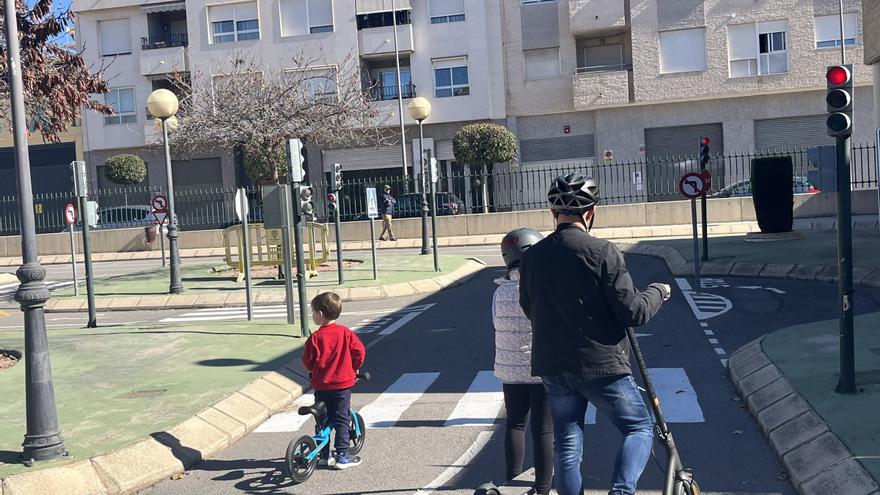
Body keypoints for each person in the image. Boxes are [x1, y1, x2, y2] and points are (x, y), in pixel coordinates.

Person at [518, 172, 673, 495]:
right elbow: (634, 312)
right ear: (591, 213)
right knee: (638, 427)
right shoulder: (603, 252)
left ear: (552, 214)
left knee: (568, 444)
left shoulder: (531, 258)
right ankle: (621, 491)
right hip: (601, 365)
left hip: (553, 365)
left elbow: (529, 307)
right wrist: (658, 291)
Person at [493, 228, 553, 495]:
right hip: (540, 369)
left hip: (509, 369)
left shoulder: (499, 292)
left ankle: (512, 480)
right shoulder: (542, 288)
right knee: (543, 430)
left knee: (515, 424)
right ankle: (543, 487)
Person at [302, 292, 366, 469]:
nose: (313, 315)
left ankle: (323, 455)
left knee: (322, 419)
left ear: (320, 315)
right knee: (341, 419)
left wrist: (314, 369)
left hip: (321, 386)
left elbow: (307, 360)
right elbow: (359, 351)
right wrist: (354, 367)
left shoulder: (315, 337)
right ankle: (343, 456)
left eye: (313, 312)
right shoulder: (345, 333)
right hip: (341, 386)